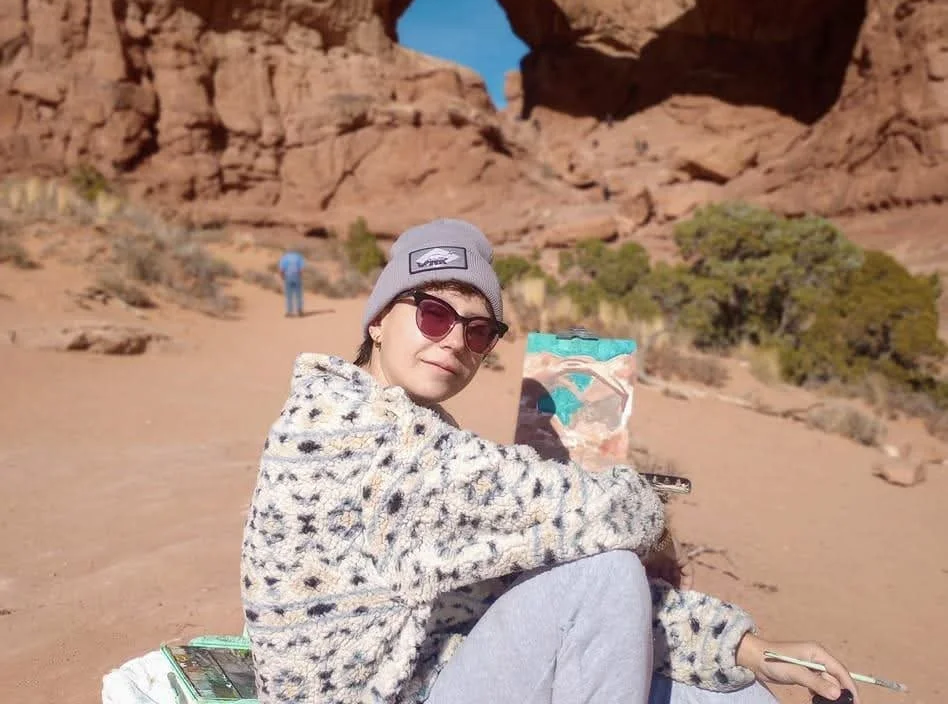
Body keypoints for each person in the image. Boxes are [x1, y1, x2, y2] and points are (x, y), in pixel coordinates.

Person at [242, 219, 861, 704]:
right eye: (433, 314)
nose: (455, 340)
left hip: (437, 668)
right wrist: (647, 517)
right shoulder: (348, 434)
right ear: (378, 321)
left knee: (730, 691)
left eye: (479, 331)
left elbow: (521, 572)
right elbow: (598, 526)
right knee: (606, 571)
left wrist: (748, 648)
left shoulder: (417, 434)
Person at [278, 247, 305, 317]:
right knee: (298, 295)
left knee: (289, 296)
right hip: (297, 276)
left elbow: (281, 269)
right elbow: (301, 268)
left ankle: (289, 312)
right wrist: (300, 276)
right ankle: (300, 311)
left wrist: (282, 277)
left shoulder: (284, 258)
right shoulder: (298, 257)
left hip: (288, 277)